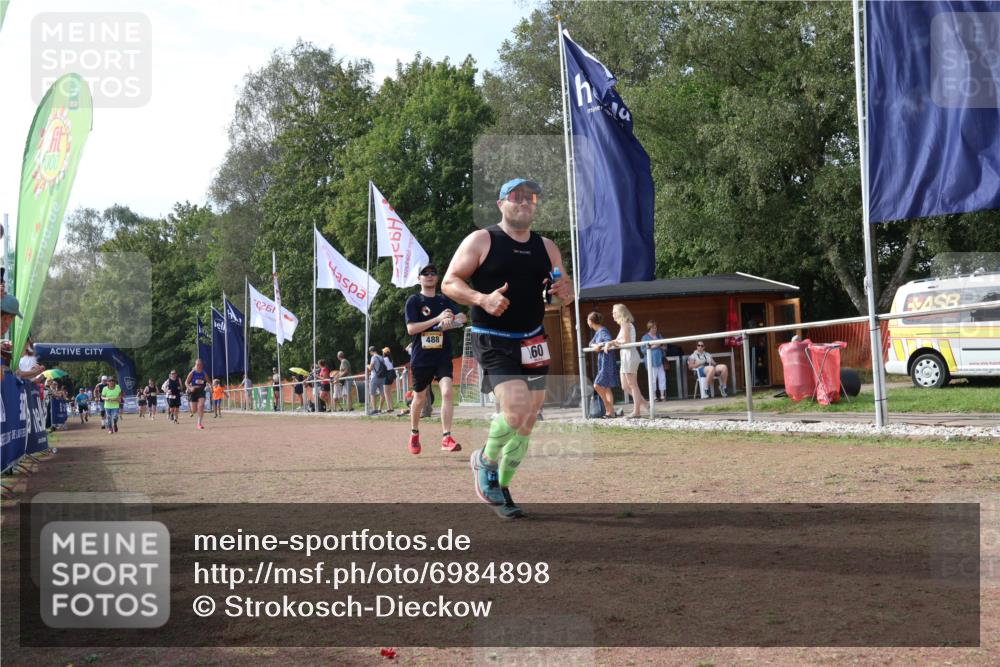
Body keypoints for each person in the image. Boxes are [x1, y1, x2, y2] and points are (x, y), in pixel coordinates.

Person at [442, 177, 574, 519]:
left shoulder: (547, 247)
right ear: (501, 203)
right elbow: (450, 281)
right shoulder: (483, 239)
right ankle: (485, 463)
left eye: (531, 197)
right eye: (516, 196)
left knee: (527, 421)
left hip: (533, 340)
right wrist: (481, 298)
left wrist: (566, 291)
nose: (525, 202)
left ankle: (501, 482)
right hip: (494, 337)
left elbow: (561, 291)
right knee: (515, 409)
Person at [404, 263, 466, 454]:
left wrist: (451, 322)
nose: (430, 276)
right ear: (419, 279)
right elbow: (411, 329)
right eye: (425, 273)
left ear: (437, 278)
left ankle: (446, 437)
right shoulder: (414, 301)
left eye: (433, 273)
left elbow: (463, 317)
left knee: (447, 392)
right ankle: (414, 433)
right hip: (422, 358)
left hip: (442, 356)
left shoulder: (443, 300)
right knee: (419, 398)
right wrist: (437, 319)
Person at [604, 304, 648, 418]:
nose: (612, 315)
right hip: (626, 355)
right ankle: (645, 403)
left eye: (614, 312)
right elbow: (621, 339)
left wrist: (612, 343)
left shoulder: (625, 323)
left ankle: (637, 411)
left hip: (629, 355)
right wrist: (611, 342)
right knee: (625, 386)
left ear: (620, 313)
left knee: (632, 385)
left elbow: (625, 340)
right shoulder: (624, 325)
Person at [587, 311, 618, 418]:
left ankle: (608, 407)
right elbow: (591, 343)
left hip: (607, 362)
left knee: (597, 385)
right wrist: (596, 345)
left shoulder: (603, 330)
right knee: (606, 387)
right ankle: (610, 412)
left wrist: (599, 346)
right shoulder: (598, 332)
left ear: (590, 321)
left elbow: (608, 341)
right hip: (602, 361)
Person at [641, 320, 668, 401]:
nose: (654, 329)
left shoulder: (659, 336)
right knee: (652, 379)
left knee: (662, 378)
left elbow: (665, 347)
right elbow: (643, 350)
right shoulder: (645, 337)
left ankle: (662, 396)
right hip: (651, 361)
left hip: (660, 361)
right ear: (649, 328)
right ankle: (654, 396)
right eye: (652, 328)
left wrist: (661, 346)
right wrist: (656, 345)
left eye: (655, 327)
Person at [186, 359, 209, 429]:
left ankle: (199, 423)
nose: (199, 366)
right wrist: (190, 388)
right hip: (193, 391)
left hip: (201, 390)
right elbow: (186, 382)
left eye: (200, 364)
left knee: (201, 405)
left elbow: (209, 381)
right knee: (194, 410)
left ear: (202, 365)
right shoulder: (192, 372)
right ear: (195, 365)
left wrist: (210, 386)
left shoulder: (204, 373)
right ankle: (191, 408)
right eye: (197, 364)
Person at [367, 347, 387, 415]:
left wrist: (367, 365)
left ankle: (374, 409)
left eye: (370, 352)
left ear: (371, 351)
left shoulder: (373, 357)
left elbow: (371, 367)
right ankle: (380, 409)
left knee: (372, 393)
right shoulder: (381, 357)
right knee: (383, 394)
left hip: (375, 377)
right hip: (382, 377)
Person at [381, 347, 396, 413]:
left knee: (386, 393)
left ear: (384, 353)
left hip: (387, 376)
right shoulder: (391, 359)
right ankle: (391, 407)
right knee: (389, 393)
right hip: (391, 376)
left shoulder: (384, 359)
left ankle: (389, 408)